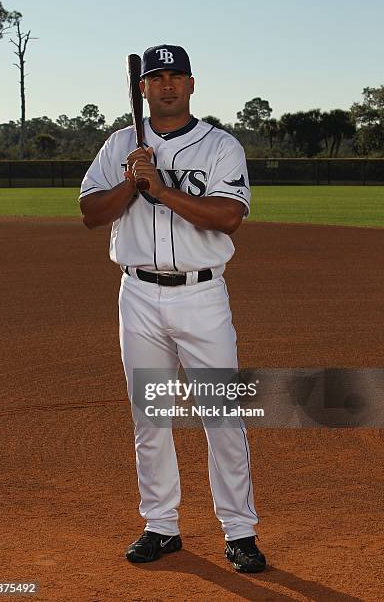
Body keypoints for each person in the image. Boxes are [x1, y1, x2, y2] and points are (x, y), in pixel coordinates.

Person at [79, 44, 266, 573]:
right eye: (156, 77)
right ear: (144, 88)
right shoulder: (119, 145)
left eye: (175, 76)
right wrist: (130, 184)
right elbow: (92, 213)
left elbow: (228, 216)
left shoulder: (221, 146)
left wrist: (159, 190)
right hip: (136, 293)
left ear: (191, 84)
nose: (166, 85)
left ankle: (240, 530)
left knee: (223, 416)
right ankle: (161, 525)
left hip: (202, 295)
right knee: (151, 417)